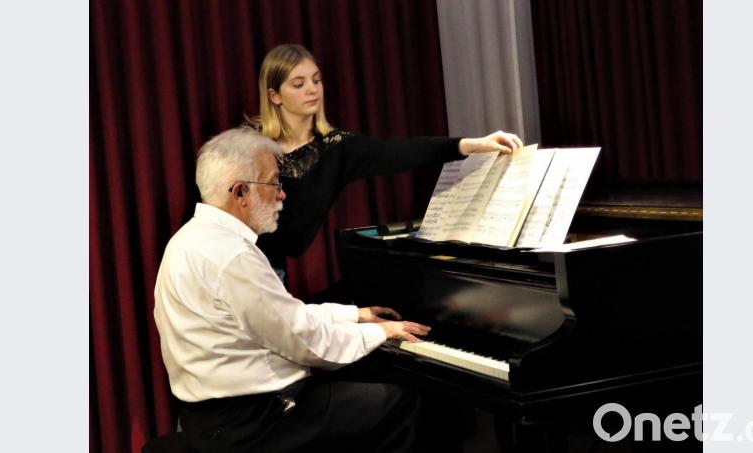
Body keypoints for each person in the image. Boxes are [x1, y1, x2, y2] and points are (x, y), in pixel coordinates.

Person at [154, 127, 432, 453]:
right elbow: (305, 343)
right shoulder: (233, 255)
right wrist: (382, 333)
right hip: (254, 424)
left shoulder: (189, 239)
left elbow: (283, 316)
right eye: (274, 182)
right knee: (400, 402)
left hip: (212, 418)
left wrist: (355, 315)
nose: (282, 194)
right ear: (240, 192)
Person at [249, 43, 524, 276]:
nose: (313, 90)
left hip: (272, 271)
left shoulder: (336, 148)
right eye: (299, 84)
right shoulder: (247, 144)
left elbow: (400, 152)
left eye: (316, 80)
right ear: (274, 95)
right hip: (230, 263)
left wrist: (471, 145)